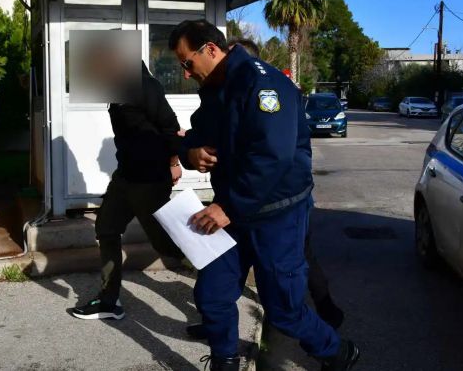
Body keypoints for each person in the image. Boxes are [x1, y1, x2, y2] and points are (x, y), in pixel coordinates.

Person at [169, 20, 359, 371]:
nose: (185, 73)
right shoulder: (215, 86)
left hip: (276, 213)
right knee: (212, 294)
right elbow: (199, 132)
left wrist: (228, 206)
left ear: (210, 49)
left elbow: (273, 155)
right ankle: (225, 360)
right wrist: (190, 152)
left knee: (284, 310)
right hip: (234, 211)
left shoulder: (263, 83)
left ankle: (337, 352)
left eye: (187, 63)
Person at [213, 37, 345, 330]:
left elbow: (275, 154)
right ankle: (219, 317)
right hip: (251, 197)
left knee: (298, 255)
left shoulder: (269, 88)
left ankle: (322, 310)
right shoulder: (231, 90)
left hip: (282, 198)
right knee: (238, 261)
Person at [71, 61, 184, 320]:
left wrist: (174, 163)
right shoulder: (116, 91)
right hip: (124, 178)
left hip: (150, 180)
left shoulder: (145, 86)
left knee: (165, 244)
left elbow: (170, 127)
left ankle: (214, 273)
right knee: (106, 228)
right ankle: (109, 301)